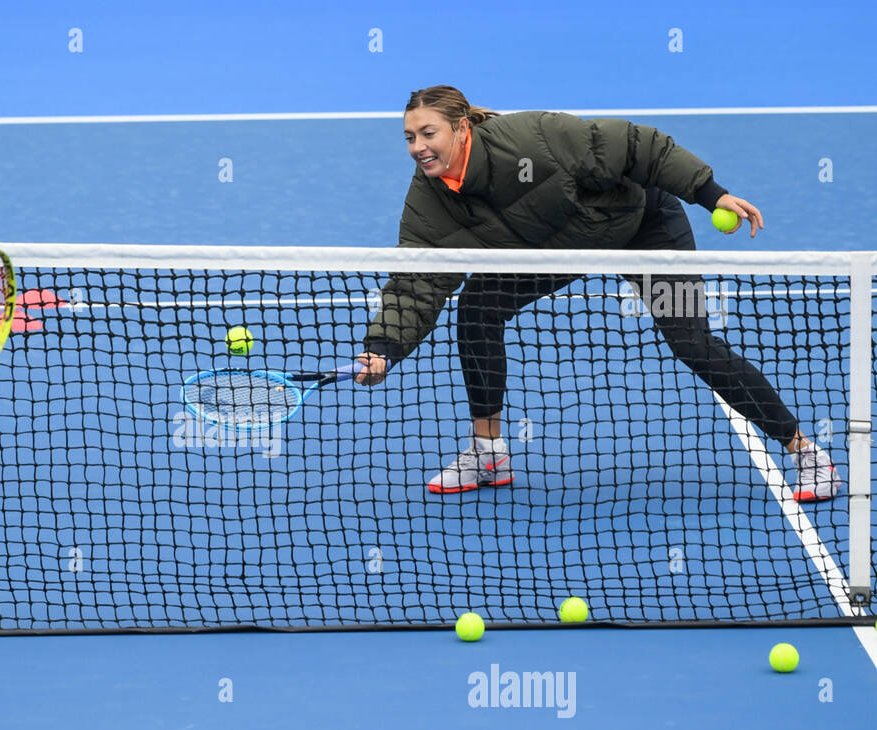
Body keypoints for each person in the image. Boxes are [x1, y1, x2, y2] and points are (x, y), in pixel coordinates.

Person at [354, 86, 841, 503]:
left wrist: (710, 193)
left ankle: (805, 450)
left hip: (643, 226)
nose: (418, 146)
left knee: (693, 344)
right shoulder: (431, 195)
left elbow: (636, 146)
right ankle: (487, 454)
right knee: (478, 308)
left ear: (462, 128)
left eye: (428, 133)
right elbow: (419, 277)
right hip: (555, 247)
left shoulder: (533, 140)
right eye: (409, 137)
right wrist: (384, 348)